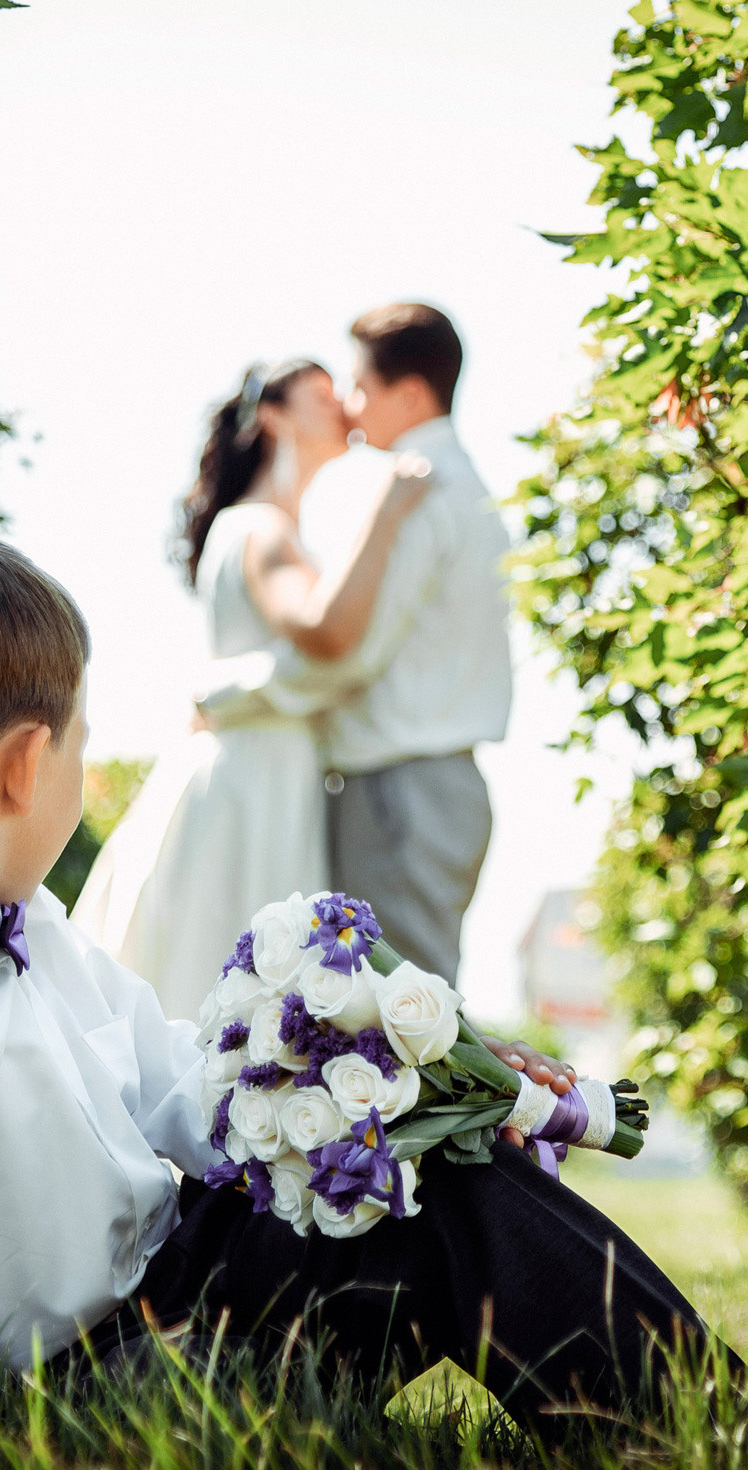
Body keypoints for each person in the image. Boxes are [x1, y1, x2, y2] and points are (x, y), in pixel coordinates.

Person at [0, 521, 743, 1433]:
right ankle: (721, 1441)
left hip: (185, 1272)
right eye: (81, 740)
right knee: (462, 1215)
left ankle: (681, 1410)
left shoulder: (21, 915)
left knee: (434, 1166)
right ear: (28, 765)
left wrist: (388, 1093)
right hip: (89, 1388)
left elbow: (180, 1081)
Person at [71, 359, 431, 1024]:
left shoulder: (261, 527)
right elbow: (327, 639)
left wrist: (222, 690)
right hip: (251, 781)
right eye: (322, 396)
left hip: (263, 767)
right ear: (273, 416)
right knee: (225, 982)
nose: (344, 409)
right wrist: (386, 514)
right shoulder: (261, 528)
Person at [196, 304, 512, 986]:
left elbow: (353, 649)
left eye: (361, 388)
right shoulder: (461, 484)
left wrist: (225, 692)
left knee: (402, 1013)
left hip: (402, 789)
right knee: (398, 1009)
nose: (350, 406)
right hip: (415, 783)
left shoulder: (425, 487)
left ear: (408, 394)